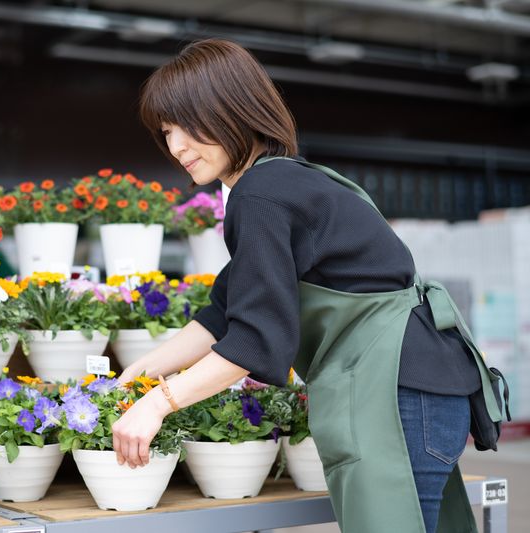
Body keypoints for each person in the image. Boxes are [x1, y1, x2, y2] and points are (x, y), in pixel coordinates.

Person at [111, 39, 504, 533]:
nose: (176, 148)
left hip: (397, 393)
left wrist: (157, 403)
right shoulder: (290, 183)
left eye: (187, 126)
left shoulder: (260, 195)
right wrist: (140, 373)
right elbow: (224, 313)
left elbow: (256, 339)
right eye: (167, 133)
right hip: (419, 388)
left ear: (231, 107)